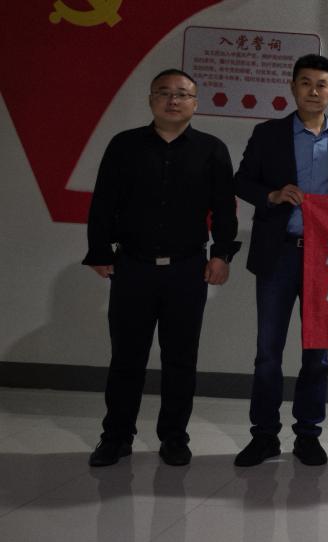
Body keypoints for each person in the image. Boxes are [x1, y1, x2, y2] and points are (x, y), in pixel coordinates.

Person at [84, 69, 239, 467]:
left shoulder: (211, 149)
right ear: (151, 99)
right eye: (164, 93)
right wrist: (100, 251)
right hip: (132, 266)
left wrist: (221, 254)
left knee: (180, 359)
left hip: (187, 269)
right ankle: (116, 437)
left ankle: (174, 437)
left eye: (182, 94)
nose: (173, 100)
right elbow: (103, 202)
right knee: (126, 358)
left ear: (195, 103)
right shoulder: (124, 146)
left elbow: (225, 208)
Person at [233, 54, 328, 468]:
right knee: (268, 352)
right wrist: (271, 195)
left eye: (322, 84)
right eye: (305, 83)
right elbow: (241, 181)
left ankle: (308, 434)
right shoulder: (268, 134)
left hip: (326, 259)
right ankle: (264, 435)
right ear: (293, 87)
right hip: (279, 254)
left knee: (317, 354)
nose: (313, 91)